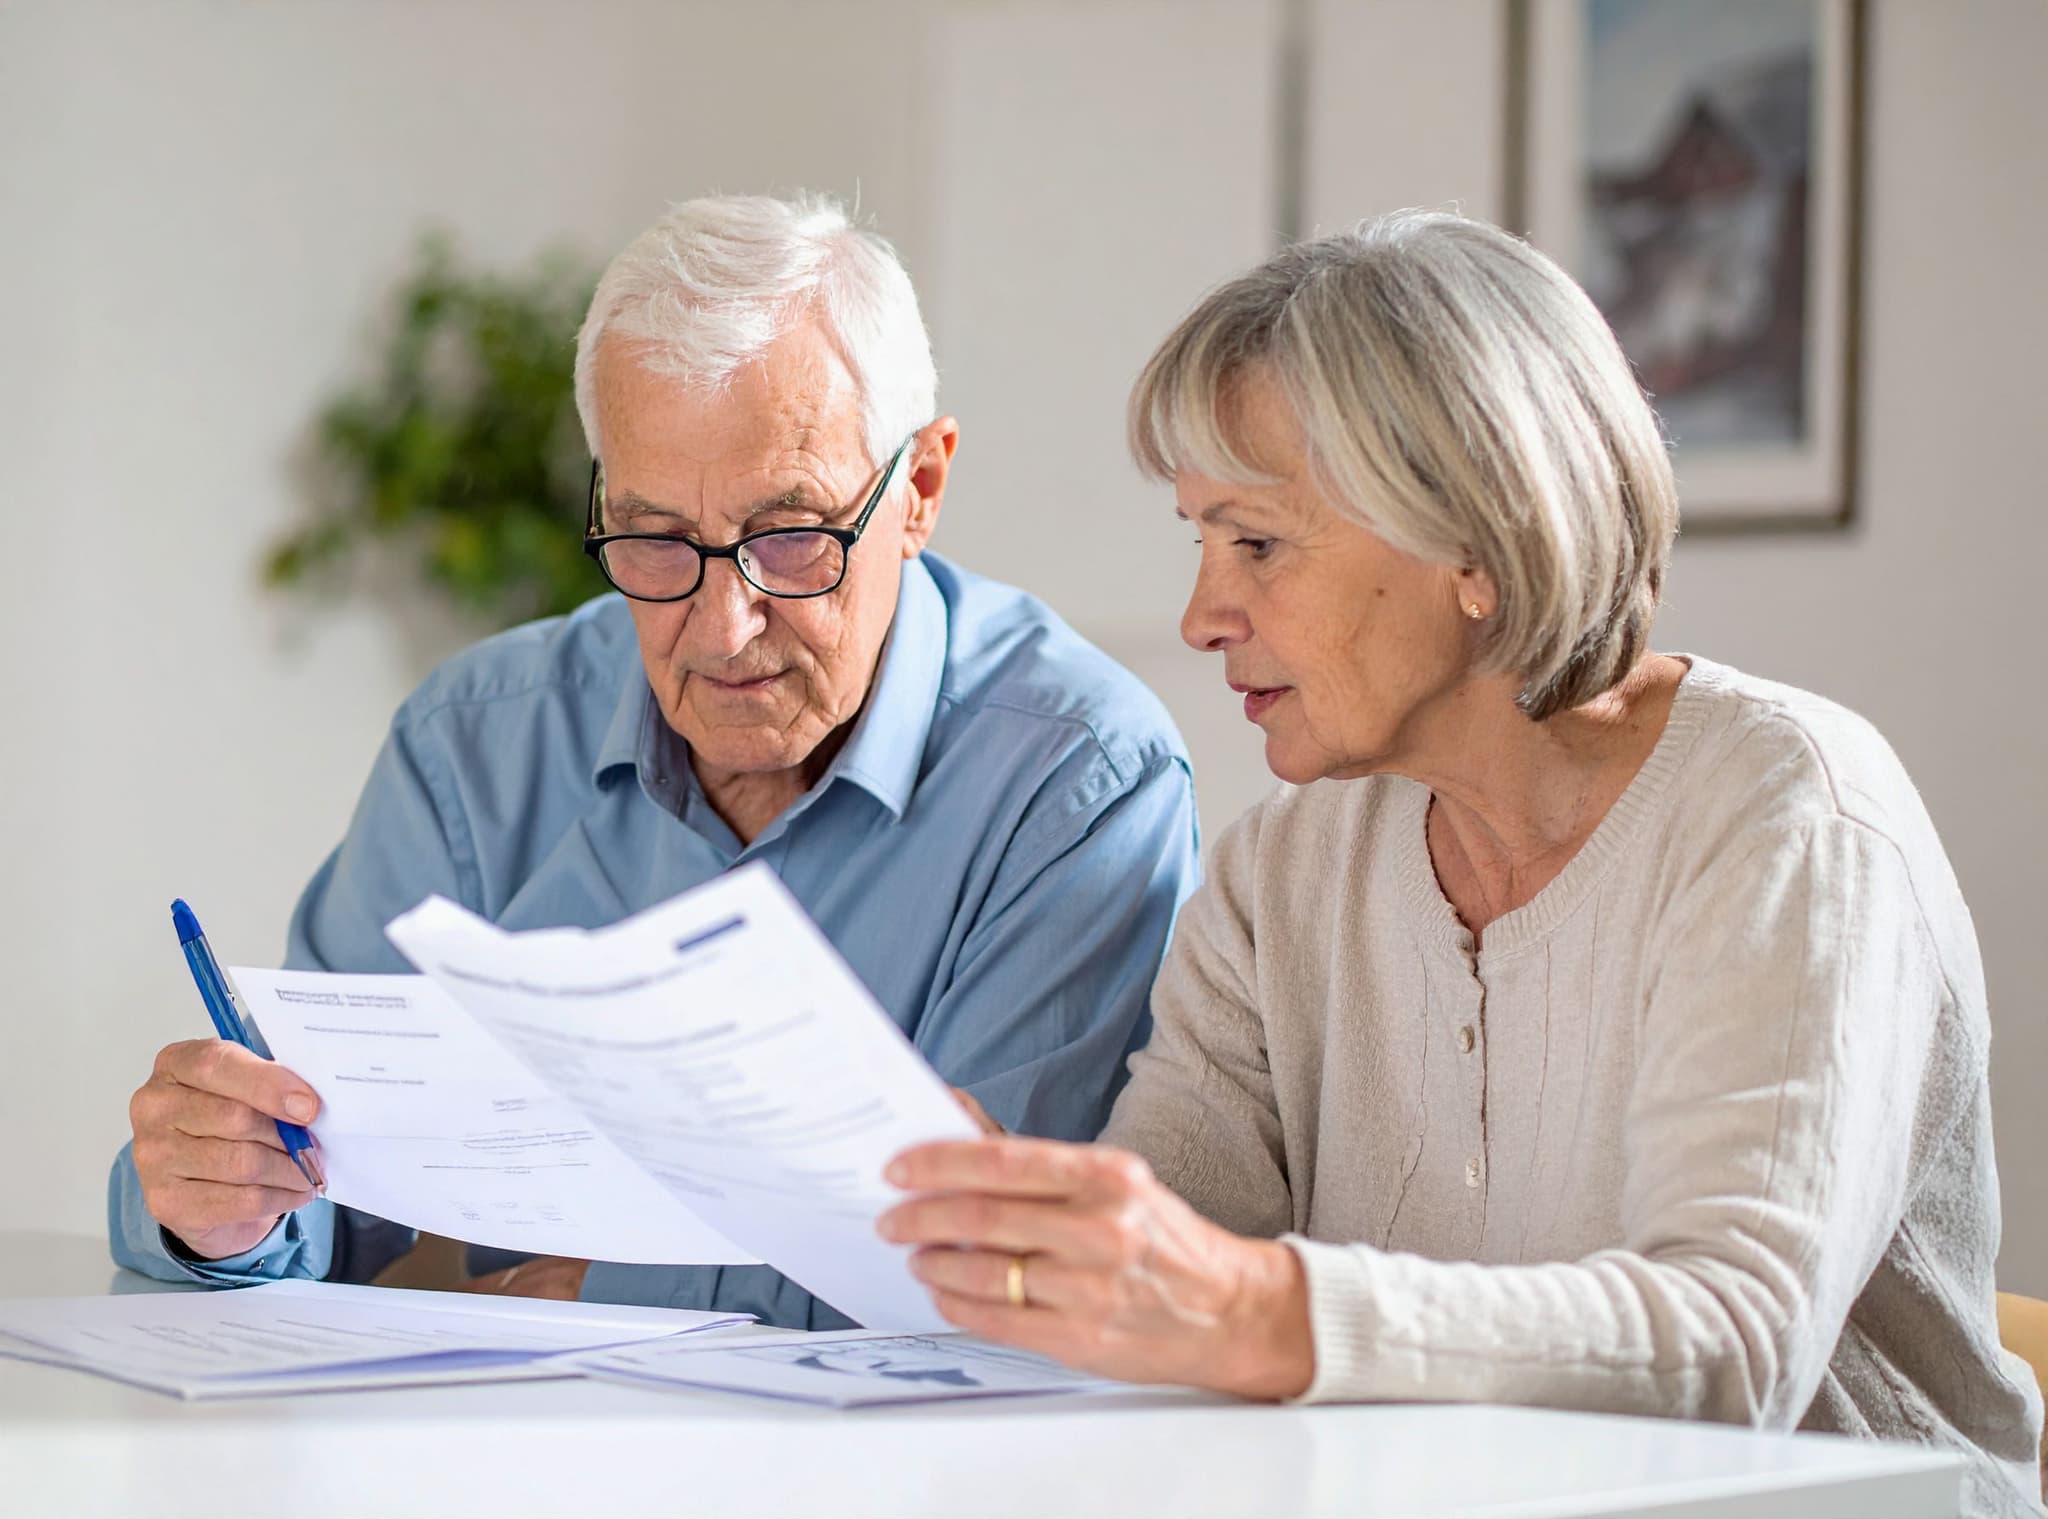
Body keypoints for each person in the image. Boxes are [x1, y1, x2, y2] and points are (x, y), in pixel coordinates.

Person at [879, 210, 2046, 1514]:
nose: (1203, 614)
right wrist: (1030, 1232)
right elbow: (1181, 1271)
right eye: (1196, 539)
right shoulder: (1278, 879)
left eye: (1255, 541)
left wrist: (1253, 1306)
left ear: (1474, 544)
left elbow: (1730, 1345)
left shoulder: (1788, 817)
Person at [111, 192, 1200, 1328]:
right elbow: (326, 1180)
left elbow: (989, 1272)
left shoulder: (1079, 783)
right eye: (655, 539)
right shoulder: (473, 745)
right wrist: (220, 1203)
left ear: (919, 488)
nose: (722, 628)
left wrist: (599, 1288)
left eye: (792, 537)